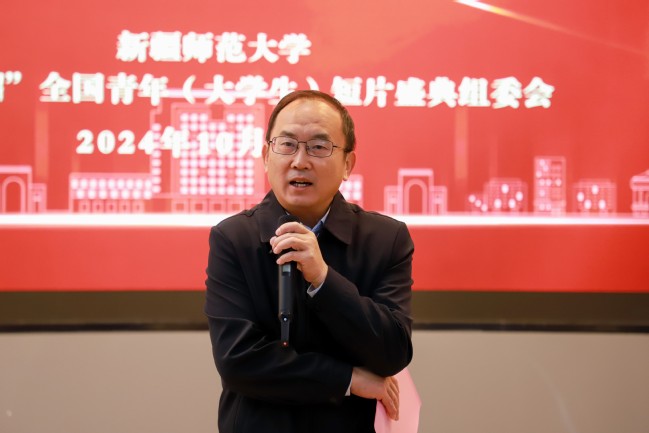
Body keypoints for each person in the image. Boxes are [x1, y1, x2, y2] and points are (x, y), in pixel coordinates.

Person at [204, 90, 414, 433]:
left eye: (318, 147)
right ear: (266, 157)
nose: (300, 161)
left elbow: (392, 352)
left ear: (348, 165)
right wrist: (348, 378)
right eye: (287, 145)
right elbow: (238, 360)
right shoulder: (234, 238)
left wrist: (324, 280)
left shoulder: (385, 239)